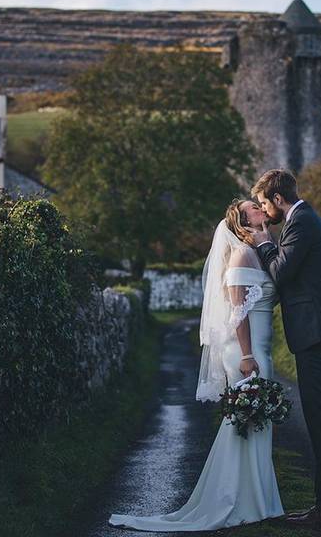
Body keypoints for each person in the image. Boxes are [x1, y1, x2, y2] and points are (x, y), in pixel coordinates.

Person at [107, 199, 285, 531]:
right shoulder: (243, 255)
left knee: (253, 423)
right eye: (255, 210)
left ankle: (257, 498)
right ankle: (243, 500)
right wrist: (247, 356)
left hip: (257, 348)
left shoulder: (256, 251)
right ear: (243, 224)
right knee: (248, 423)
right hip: (247, 352)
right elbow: (239, 314)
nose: (262, 211)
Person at [250, 168, 321, 529]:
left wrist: (262, 240)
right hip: (319, 333)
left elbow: (279, 272)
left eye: (264, 203)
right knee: (320, 421)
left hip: (318, 335)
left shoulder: (301, 222)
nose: (264, 212)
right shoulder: (303, 220)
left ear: (278, 199)